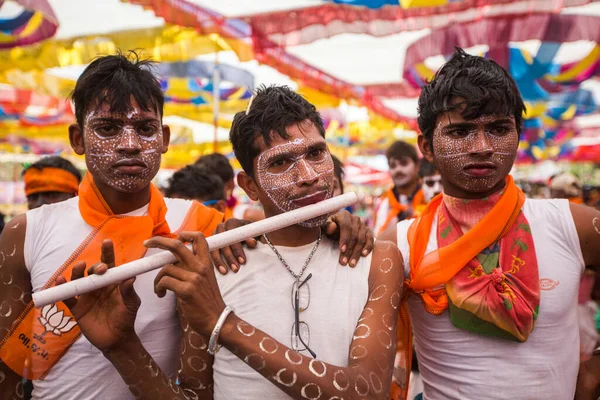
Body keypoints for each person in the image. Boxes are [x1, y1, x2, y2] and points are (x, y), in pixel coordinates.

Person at [0, 53, 372, 400]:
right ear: (78, 140)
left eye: (145, 128)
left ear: (163, 139)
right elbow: (9, 370)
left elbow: (285, 229)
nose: (129, 144)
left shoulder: (207, 227)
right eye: (108, 129)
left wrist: (334, 220)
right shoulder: (25, 233)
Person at [391, 48, 600, 399]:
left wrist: (594, 369)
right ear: (426, 147)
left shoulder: (574, 227)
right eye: (460, 132)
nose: (482, 147)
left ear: (518, 134)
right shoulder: (399, 245)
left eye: (499, 128)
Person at [374, 140, 425, 237]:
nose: (398, 170)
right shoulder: (383, 203)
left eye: (404, 163)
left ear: (417, 166)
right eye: (393, 165)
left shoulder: (429, 197)